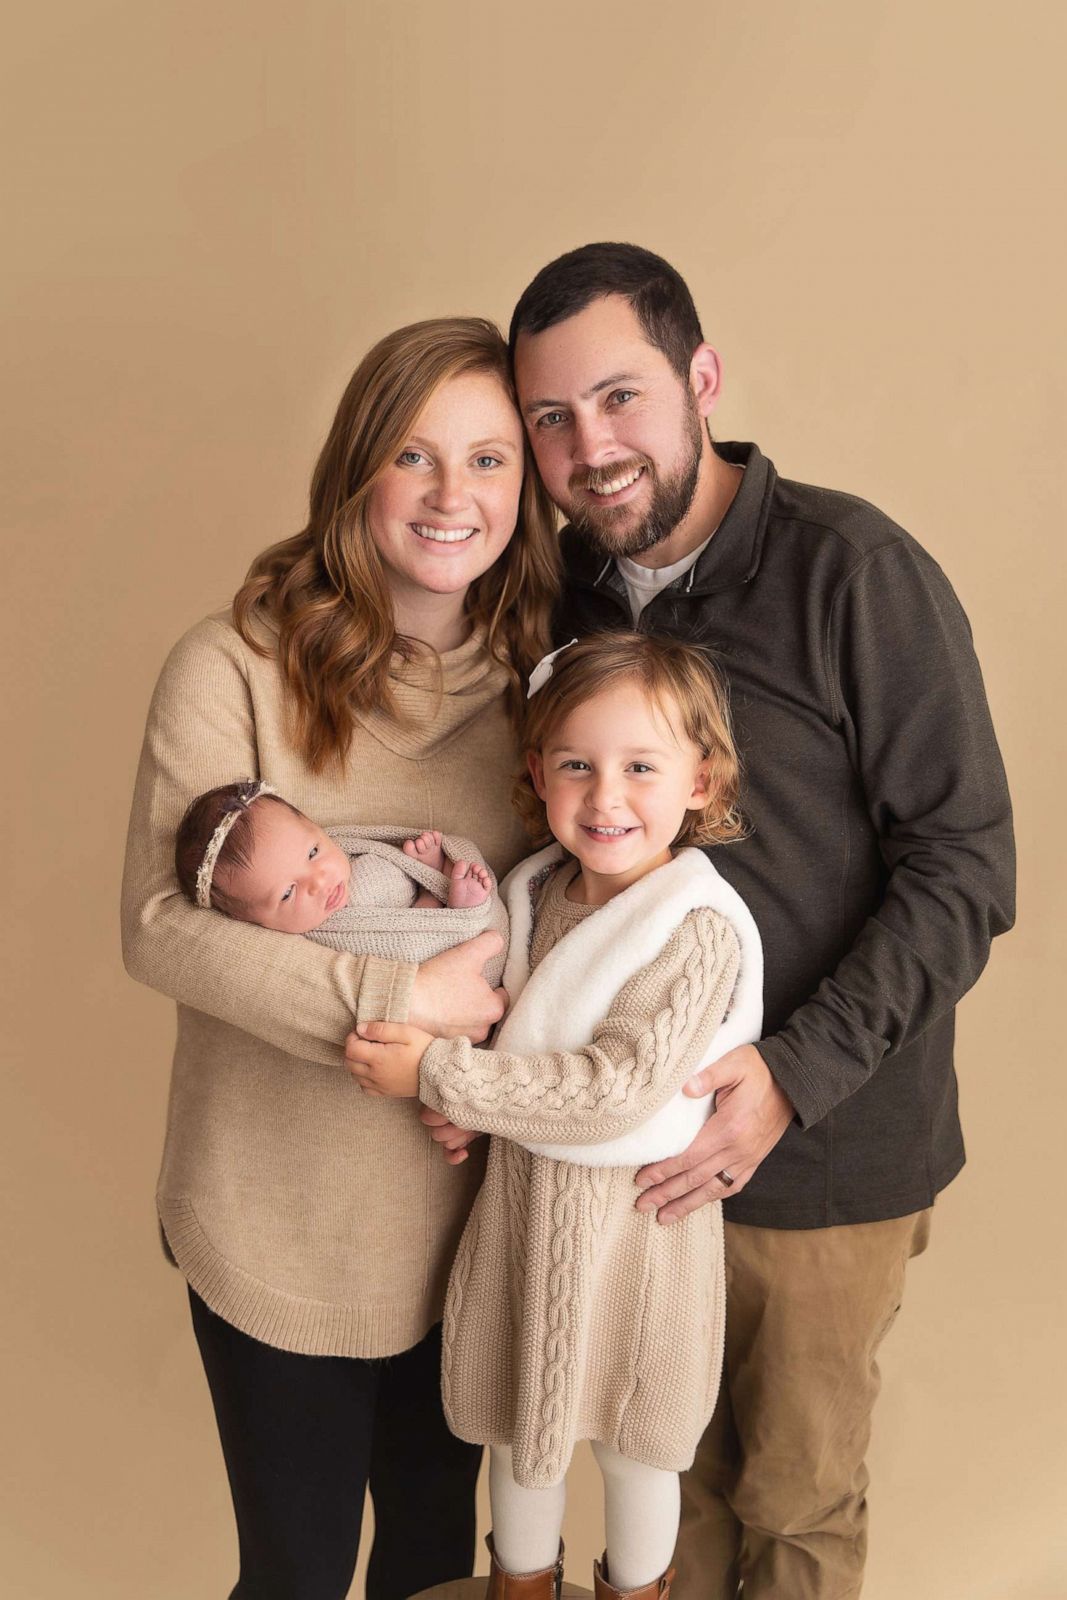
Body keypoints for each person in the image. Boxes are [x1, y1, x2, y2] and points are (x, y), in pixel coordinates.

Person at [414, 244, 1015, 1600]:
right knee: (649, 1499)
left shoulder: (851, 572)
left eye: (620, 398)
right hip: (612, 1160)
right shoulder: (552, 597)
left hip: (819, 1153)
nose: (589, 448)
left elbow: (965, 864)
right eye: (550, 420)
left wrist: (788, 1080)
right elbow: (534, 861)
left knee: (790, 1504)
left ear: (700, 379)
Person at [121, 316, 559, 1600]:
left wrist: (494, 1060)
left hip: (465, 1228)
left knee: (434, 1569)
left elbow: (561, 927)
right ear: (357, 468)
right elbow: (158, 926)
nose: (451, 496)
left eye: (487, 460)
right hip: (272, 1223)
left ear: (523, 490)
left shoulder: (545, 689)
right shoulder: (233, 663)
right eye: (415, 456)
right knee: (297, 1575)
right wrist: (397, 995)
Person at [348, 632, 762, 1600]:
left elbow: (615, 1085)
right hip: (525, 1222)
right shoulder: (534, 894)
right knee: (518, 1443)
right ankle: (518, 1586)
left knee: (633, 1451)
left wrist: (440, 1078)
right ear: (537, 773)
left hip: (636, 1243)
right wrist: (473, 1097)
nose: (604, 796)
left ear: (699, 780)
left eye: (640, 767)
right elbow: (513, 1038)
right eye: (575, 764)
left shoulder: (690, 925)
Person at [174, 781, 497, 924]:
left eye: (313, 852)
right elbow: (401, 944)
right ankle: (446, 901)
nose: (318, 881)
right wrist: (434, 901)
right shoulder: (322, 938)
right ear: (249, 921)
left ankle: (426, 875)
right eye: (287, 893)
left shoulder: (355, 859)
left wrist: (407, 864)